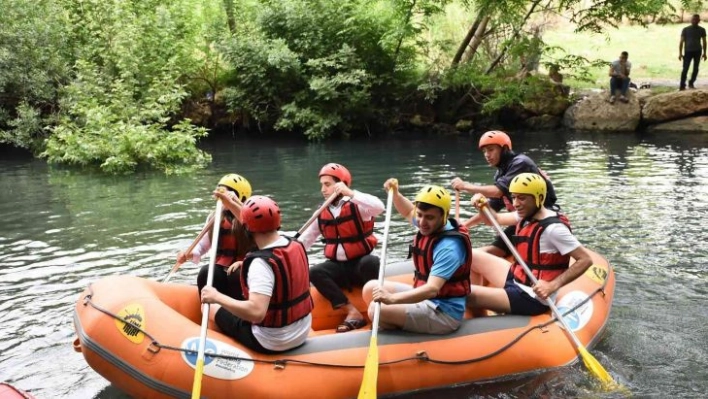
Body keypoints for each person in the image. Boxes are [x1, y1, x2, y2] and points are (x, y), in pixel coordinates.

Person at [466, 173, 592, 316]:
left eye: (522, 198)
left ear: (539, 198)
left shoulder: (554, 229)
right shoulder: (525, 215)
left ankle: (479, 317)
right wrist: (484, 206)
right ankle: (481, 306)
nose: (515, 204)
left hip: (531, 297)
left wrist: (552, 285)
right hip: (518, 278)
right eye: (513, 197)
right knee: (470, 255)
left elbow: (585, 260)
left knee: (464, 293)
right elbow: (493, 219)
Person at [200, 195, 313, 353]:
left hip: (271, 340)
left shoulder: (260, 263)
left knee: (210, 306)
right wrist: (230, 203)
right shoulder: (294, 243)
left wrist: (216, 297)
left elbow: (256, 312)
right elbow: (253, 223)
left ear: (246, 229)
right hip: (302, 331)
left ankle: (221, 346)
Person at [361, 182, 471, 334]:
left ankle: (395, 330)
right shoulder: (428, 225)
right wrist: (396, 194)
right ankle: (393, 322)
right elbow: (407, 212)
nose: (422, 222)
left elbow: (432, 289)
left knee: (375, 310)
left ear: (444, 216)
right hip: (425, 298)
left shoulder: (449, 247)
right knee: (370, 288)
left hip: (442, 312)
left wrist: (391, 299)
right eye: (419, 215)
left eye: (429, 217)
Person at [298, 163, 385, 333]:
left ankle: (376, 311)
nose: (323, 189)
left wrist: (351, 193)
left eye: (327, 184)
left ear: (341, 184)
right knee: (315, 271)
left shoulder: (358, 205)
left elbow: (379, 207)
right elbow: (304, 241)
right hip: (338, 268)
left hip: (361, 264)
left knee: (371, 261)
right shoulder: (321, 212)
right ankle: (351, 311)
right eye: (322, 185)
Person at [450, 131, 557, 259]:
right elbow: (491, 208)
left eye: (491, 150)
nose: (487, 155)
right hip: (521, 220)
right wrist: (464, 226)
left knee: (486, 253)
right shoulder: (501, 174)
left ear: (505, 149)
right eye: (484, 151)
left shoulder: (520, 163)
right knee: (486, 252)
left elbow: (497, 191)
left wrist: (465, 186)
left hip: (541, 220)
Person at [177, 174, 256, 299]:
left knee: (235, 274)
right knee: (206, 272)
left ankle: (239, 313)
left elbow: (261, 242)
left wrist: (243, 263)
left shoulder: (251, 218)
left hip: (244, 268)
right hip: (221, 267)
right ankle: (209, 311)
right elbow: (202, 246)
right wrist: (188, 254)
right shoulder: (215, 218)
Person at [679, 14, 707, 90]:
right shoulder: (685, 29)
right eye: (693, 19)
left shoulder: (702, 30)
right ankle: (682, 85)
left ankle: (691, 83)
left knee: (696, 68)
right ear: (691, 20)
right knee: (685, 68)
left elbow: (704, 42)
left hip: (698, 51)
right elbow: (681, 41)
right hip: (688, 51)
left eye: (696, 19)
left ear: (699, 21)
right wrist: (680, 53)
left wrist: (704, 53)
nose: (694, 21)